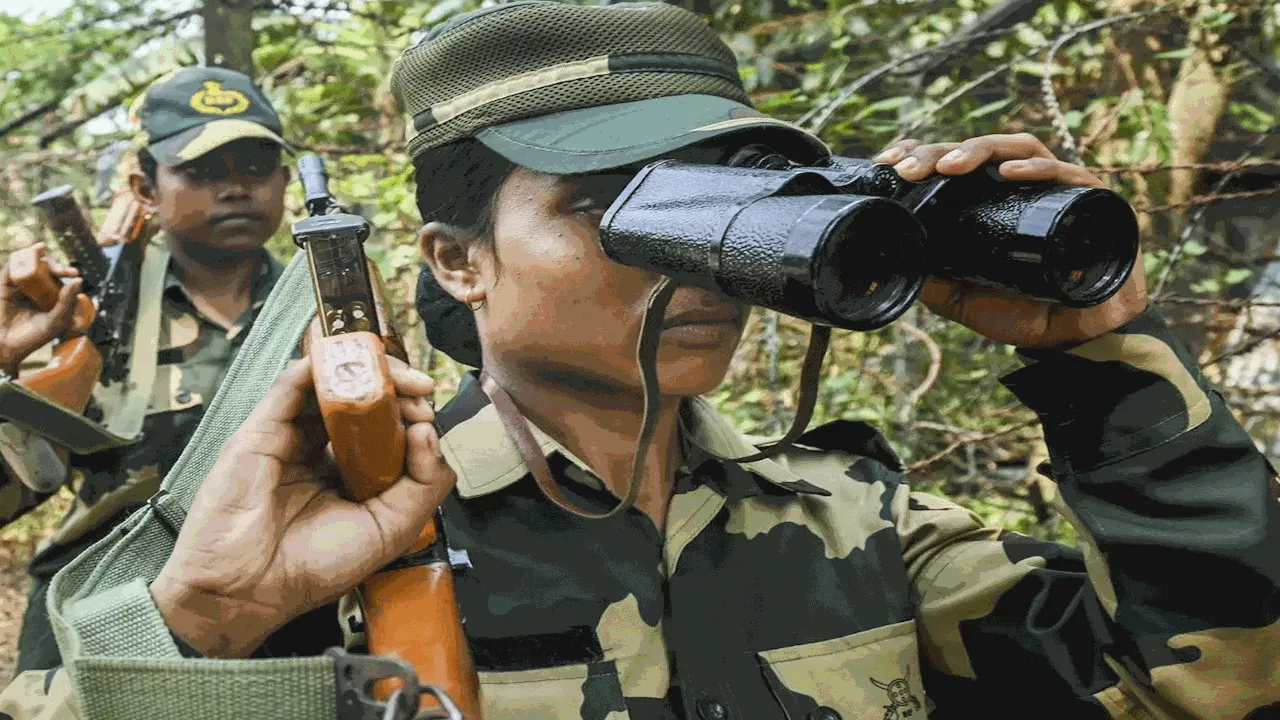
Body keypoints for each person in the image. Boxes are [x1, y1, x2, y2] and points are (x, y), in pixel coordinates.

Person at [5, 3, 1278, 718]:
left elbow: (1218, 693)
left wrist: (1104, 365)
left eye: (733, 205)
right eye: (620, 212)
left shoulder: (863, 529)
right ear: (457, 260)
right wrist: (204, 633)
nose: (701, 261)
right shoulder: (330, 548)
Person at [0, 65, 296, 675]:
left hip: (291, 619)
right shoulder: (87, 312)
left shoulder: (326, 299)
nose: (237, 187)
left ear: (286, 181)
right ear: (145, 187)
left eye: (255, 167)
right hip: (106, 620)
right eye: (205, 171)